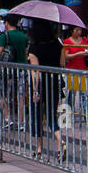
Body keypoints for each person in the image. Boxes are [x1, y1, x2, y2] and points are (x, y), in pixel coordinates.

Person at [26, 19, 64, 158]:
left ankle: (40, 148)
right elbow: (62, 64)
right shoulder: (57, 44)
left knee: (37, 116)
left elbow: (36, 73)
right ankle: (60, 141)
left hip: (40, 85)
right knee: (51, 114)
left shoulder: (34, 47)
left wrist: (35, 90)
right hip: (54, 81)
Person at [62, 23, 88, 117]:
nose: (79, 32)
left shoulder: (84, 40)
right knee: (71, 93)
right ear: (72, 31)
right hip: (72, 70)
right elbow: (66, 55)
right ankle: (68, 113)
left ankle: (86, 113)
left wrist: (87, 53)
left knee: (85, 93)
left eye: (80, 30)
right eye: (77, 30)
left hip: (83, 68)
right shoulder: (67, 41)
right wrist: (78, 54)